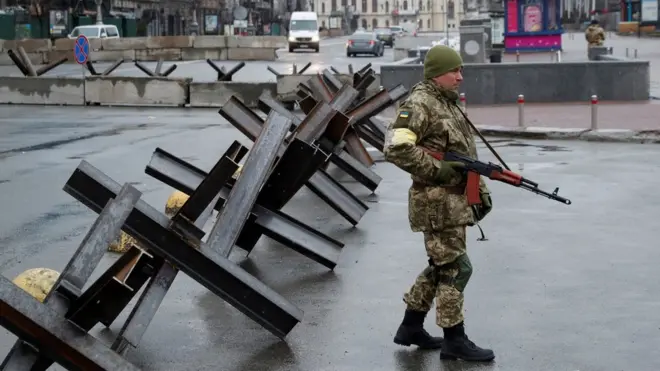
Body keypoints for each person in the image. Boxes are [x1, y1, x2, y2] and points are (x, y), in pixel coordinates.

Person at [384, 45, 495, 362]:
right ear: (436, 74)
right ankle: (454, 339)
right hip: (435, 204)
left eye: (461, 70)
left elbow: (463, 159)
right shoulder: (419, 104)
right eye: (455, 71)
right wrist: (437, 170)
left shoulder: (446, 103)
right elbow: (396, 147)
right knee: (457, 269)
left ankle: (410, 327)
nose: (460, 76)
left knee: (442, 266)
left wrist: (479, 191)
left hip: (453, 202)